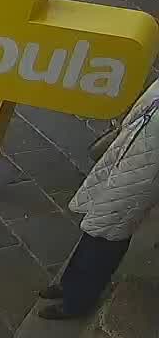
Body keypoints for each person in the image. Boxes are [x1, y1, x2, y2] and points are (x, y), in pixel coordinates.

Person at [39, 77, 159, 319]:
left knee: (107, 233)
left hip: (147, 169)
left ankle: (77, 302)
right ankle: (69, 284)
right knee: (96, 227)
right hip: (132, 152)